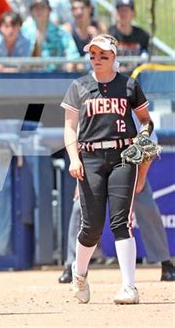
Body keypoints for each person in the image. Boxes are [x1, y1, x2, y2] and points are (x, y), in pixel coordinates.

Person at [61, 34, 154, 305]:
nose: (97, 59)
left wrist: (144, 136)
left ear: (114, 57)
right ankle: (80, 275)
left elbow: (146, 121)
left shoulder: (128, 85)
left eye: (103, 55)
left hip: (123, 155)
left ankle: (129, 286)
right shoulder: (78, 86)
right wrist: (73, 158)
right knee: (90, 227)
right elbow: (69, 126)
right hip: (88, 156)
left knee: (120, 221)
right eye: (93, 54)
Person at [59, 120, 175, 283]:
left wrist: (140, 178)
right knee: (79, 207)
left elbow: (150, 145)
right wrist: (81, 181)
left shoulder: (131, 105)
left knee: (147, 206)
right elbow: (78, 145)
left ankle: (165, 263)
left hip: (128, 168)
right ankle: (72, 264)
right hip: (95, 169)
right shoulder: (91, 104)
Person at [21, 0, 79, 71]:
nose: (39, 11)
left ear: (49, 10)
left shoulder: (61, 33)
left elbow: (73, 54)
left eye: (42, 7)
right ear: (31, 11)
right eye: (35, 8)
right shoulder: (24, 32)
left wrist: (70, 65)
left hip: (55, 76)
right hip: (29, 77)